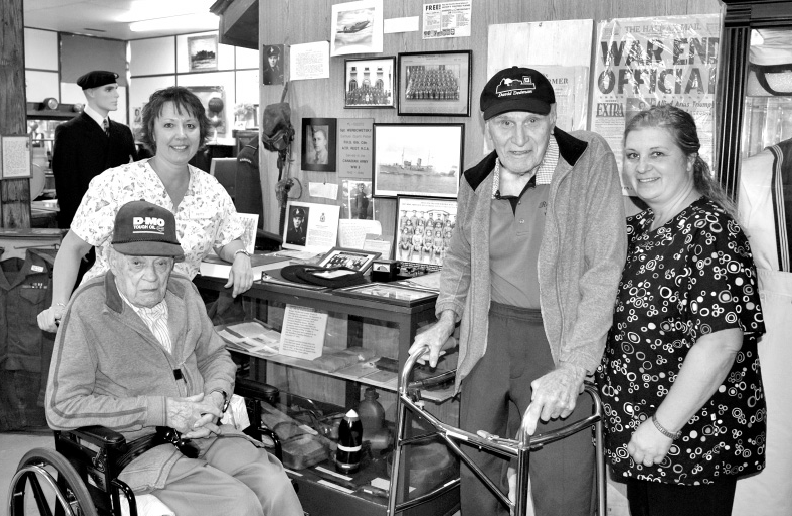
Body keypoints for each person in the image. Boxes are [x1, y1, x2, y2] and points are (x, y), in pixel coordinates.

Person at [410, 66, 627, 516]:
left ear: (552, 117)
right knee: (478, 469)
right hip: (489, 337)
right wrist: (445, 319)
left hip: (559, 338)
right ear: (486, 128)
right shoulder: (477, 179)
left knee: (562, 481)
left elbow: (604, 269)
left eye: (532, 121)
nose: (519, 138)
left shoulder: (589, 160)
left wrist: (575, 367)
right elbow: (459, 259)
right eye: (504, 124)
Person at [45, 201, 303, 516]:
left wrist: (215, 398)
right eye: (137, 263)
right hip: (139, 448)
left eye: (162, 263)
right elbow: (61, 406)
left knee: (275, 485)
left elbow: (216, 357)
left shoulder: (184, 292)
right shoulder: (87, 309)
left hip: (204, 431)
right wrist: (163, 411)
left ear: (173, 262)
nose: (152, 277)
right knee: (238, 505)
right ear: (112, 259)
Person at [596, 105, 766, 516]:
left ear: (690, 159)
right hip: (641, 435)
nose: (641, 167)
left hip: (689, 439)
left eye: (658, 154)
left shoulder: (710, 230)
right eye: (633, 155)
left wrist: (661, 428)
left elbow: (721, 344)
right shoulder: (638, 229)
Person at [37, 86, 254, 333]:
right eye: (169, 125)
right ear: (152, 130)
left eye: (190, 126)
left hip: (171, 321)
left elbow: (226, 238)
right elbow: (73, 247)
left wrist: (240, 256)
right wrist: (59, 306)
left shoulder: (211, 189)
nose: (181, 135)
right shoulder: (116, 183)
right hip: (106, 317)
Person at [732, 139, 792, 515]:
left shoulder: (763, 168)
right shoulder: (761, 170)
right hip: (779, 317)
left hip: (779, 314)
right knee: (777, 449)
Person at [52, 70, 137, 229]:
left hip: (121, 222)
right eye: (109, 89)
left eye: (116, 89)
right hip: (86, 223)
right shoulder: (69, 132)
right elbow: (66, 186)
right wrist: (76, 229)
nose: (116, 95)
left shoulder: (123, 132)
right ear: (91, 92)